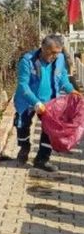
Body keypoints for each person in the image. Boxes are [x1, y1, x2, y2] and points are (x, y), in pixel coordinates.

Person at [14, 34, 80, 172]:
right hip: (27, 100)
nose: (55, 56)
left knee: (50, 131)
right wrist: (36, 103)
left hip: (50, 102)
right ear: (43, 48)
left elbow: (63, 79)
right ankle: (24, 147)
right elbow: (23, 85)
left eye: (58, 52)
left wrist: (72, 91)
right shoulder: (27, 60)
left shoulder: (60, 59)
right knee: (22, 125)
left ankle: (42, 159)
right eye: (52, 52)